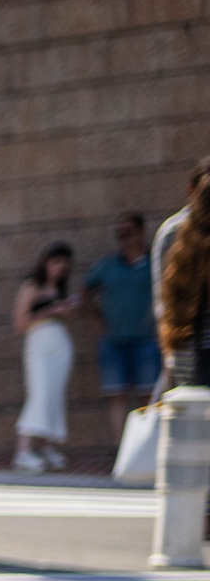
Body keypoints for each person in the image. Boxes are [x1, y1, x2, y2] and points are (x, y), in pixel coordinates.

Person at [84, 213, 159, 437]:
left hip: (147, 340)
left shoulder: (155, 263)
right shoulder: (107, 266)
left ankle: (147, 449)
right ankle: (121, 453)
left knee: (149, 396)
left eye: (129, 233)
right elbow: (86, 290)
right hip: (113, 342)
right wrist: (96, 318)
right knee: (116, 396)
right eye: (120, 234)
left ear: (141, 233)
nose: (124, 238)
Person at [11, 242, 78, 473]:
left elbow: (69, 322)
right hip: (38, 342)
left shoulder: (62, 290)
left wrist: (66, 311)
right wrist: (49, 311)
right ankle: (23, 452)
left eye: (64, 263)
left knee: (54, 395)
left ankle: (46, 446)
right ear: (45, 262)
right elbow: (20, 324)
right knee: (39, 393)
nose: (60, 267)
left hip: (60, 344)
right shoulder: (31, 287)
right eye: (55, 261)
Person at [156, 158, 209, 393]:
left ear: (192, 191)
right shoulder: (174, 234)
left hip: (187, 357)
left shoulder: (171, 234)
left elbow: (163, 307)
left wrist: (170, 362)